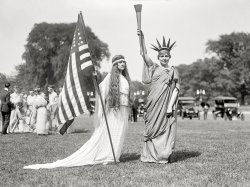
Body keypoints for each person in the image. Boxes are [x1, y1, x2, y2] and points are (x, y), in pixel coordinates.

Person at [23, 54, 131, 169]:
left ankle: (115, 154)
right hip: (114, 110)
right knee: (112, 131)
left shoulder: (124, 78)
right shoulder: (110, 77)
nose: (122, 64)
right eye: (120, 62)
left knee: (119, 133)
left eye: (123, 62)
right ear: (115, 65)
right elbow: (101, 91)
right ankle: (108, 155)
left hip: (123, 110)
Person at [137, 29, 180, 163]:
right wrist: (142, 38)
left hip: (165, 103)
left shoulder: (173, 71)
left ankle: (162, 154)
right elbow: (143, 54)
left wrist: (170, 106)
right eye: (161, 56)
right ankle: (149, 155)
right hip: (152, 102)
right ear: (158, 57)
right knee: (150, 127)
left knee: (163, 127)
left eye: (166, 56)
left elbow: (176, 90)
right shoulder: (154, 67)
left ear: (170, 57)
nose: (164, 58)